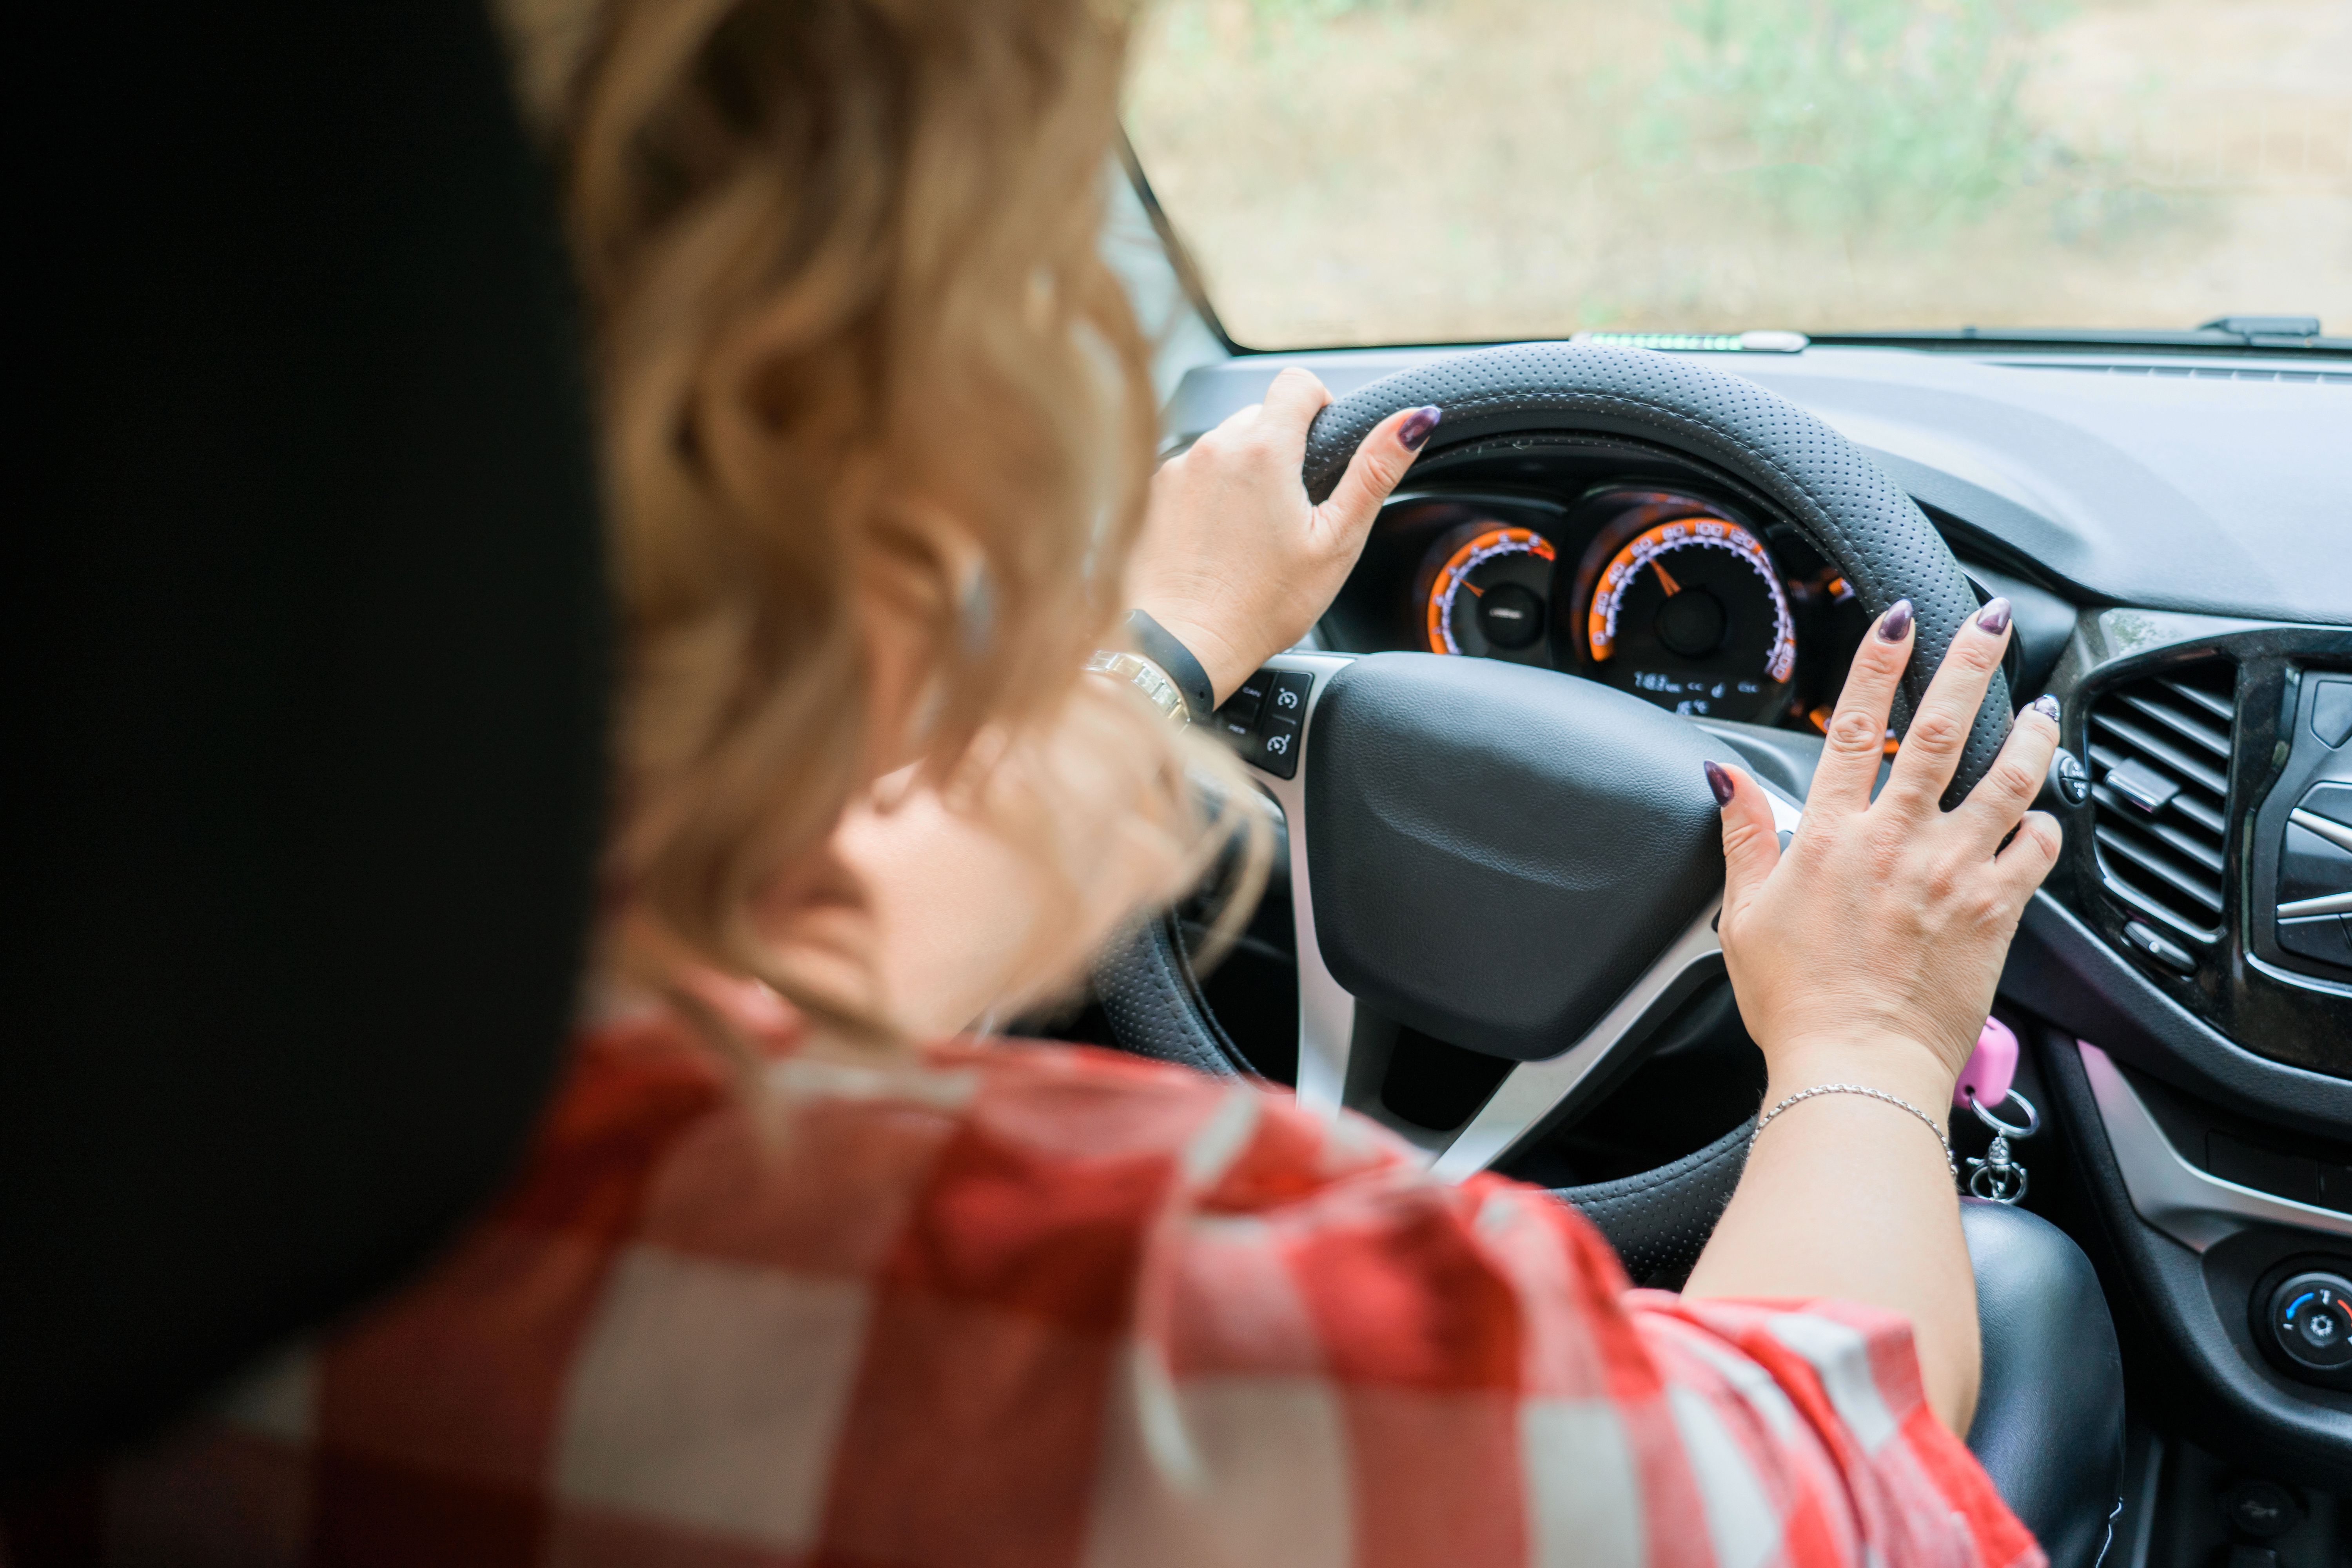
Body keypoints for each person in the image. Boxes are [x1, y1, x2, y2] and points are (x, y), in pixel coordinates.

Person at [70, 0, 2066, 1563]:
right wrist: (1871, 1039)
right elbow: (1845, 1476)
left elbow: (733, 976)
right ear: (857, 450)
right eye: (1038, 288)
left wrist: (1164, 662)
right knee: (2028, 1296)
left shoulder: (189, 1127)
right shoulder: (1158, 1338)